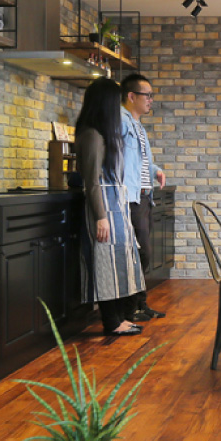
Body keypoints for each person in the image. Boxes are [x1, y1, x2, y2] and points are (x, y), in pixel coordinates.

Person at [76, 78, 146, 336]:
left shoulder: (103, 134)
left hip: (115, 205)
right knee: (106, 265)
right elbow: (92, 181)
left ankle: (119, 319)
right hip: (104, 208)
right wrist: (101, 216)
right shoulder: (92, 136)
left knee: (118, 263)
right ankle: (112, 322)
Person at [120, 73, 167, 321]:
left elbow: (141, 160)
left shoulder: (138, 125)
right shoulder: (120, 122)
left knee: (143, 254)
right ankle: (130, 308)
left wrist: (156, 170)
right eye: (147, 95)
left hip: (145, 197)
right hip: (131, 198)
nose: (151, 100)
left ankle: (140, 304)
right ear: (131, 96)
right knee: (140, 253)